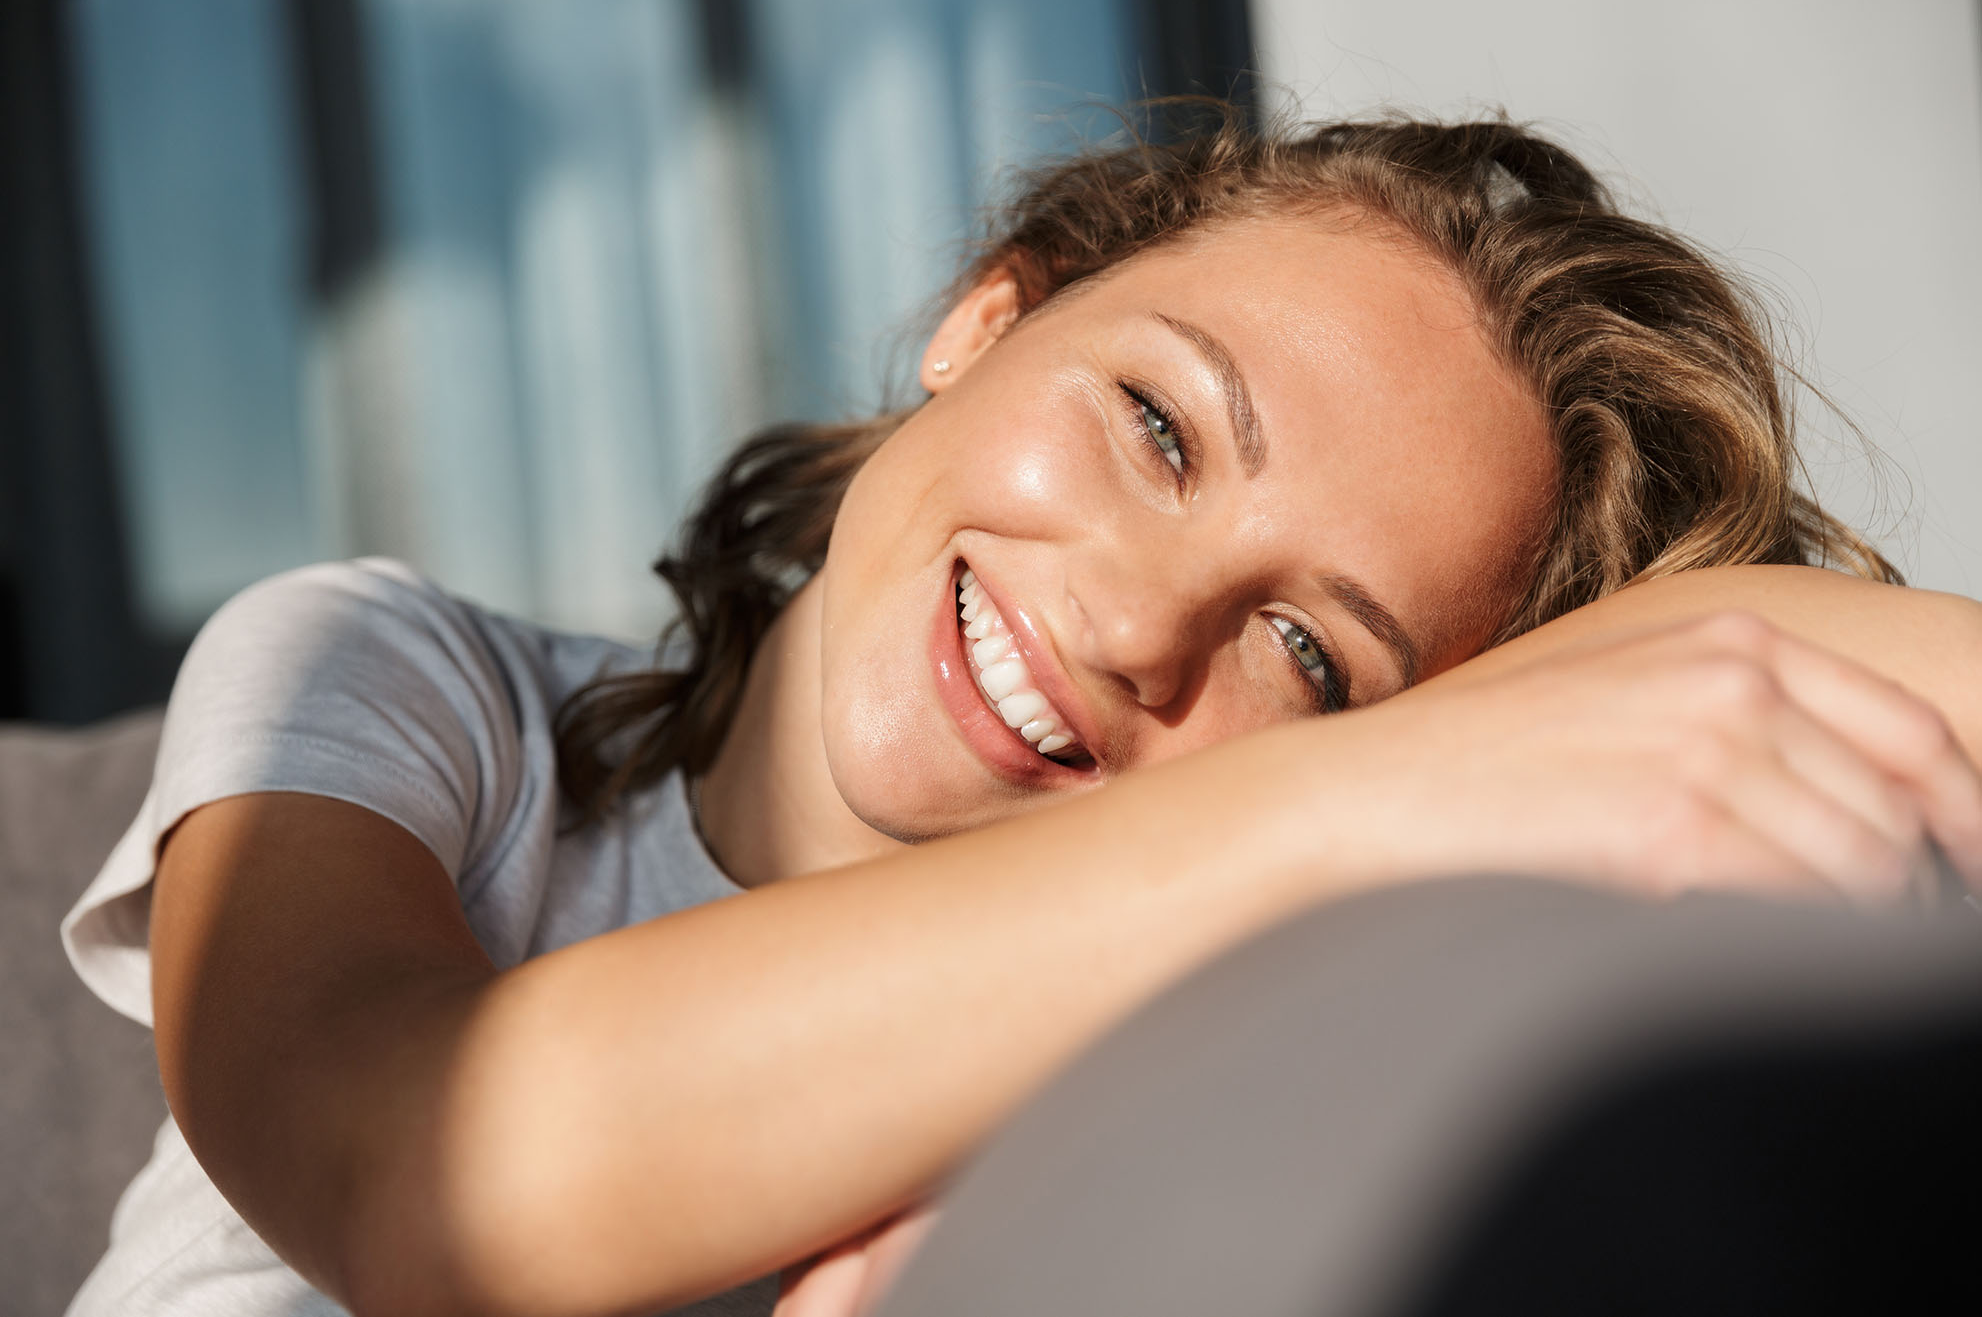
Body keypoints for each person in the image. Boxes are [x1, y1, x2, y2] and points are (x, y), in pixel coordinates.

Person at [60, 108, 1982, 1317]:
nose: (1143, 623)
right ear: (986, 317)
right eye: (1153, 425)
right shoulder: (409, 686)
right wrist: (1415, 768)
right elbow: (418, 1165)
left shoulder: (1180, 1043)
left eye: (1312, 655)